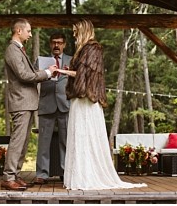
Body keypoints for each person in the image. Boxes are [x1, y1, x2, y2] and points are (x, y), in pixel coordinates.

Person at [57, 19, 146, 190]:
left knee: (86, 136)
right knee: (79, 137)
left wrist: (62, 71)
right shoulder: (84, 50)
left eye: (76, 31)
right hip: (79, 100)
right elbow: (82, 73)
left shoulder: (92, 48)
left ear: (83, 31)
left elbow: (83, 75)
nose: (74, 35)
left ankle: (87, 177)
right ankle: (79, 175)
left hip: (86, 100)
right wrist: (69, 71)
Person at [1, 19, 58, 191]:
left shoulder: (18, 49)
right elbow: (24, 75)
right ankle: (8, 177)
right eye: (29, 31)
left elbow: (28, 73)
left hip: (27, 102)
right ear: (19, 30)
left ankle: (15, 175)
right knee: (17, 141)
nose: (31, 34)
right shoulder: (12, 50)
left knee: (23, 142)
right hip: (21, 102)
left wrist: (47, 72)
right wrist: (47, 73)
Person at [33, 32, 71, 185]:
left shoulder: (71, 60)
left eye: (59, 43)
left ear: (64, 44)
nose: (56, 45)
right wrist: (46, 72)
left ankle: (66, 172)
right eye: (54, 42)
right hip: (46, 104)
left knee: (66, 142)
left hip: (65, 105)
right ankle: (42, 174)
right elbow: (34, 77)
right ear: (50, 44)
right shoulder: (41, 61)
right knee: (44, 142)